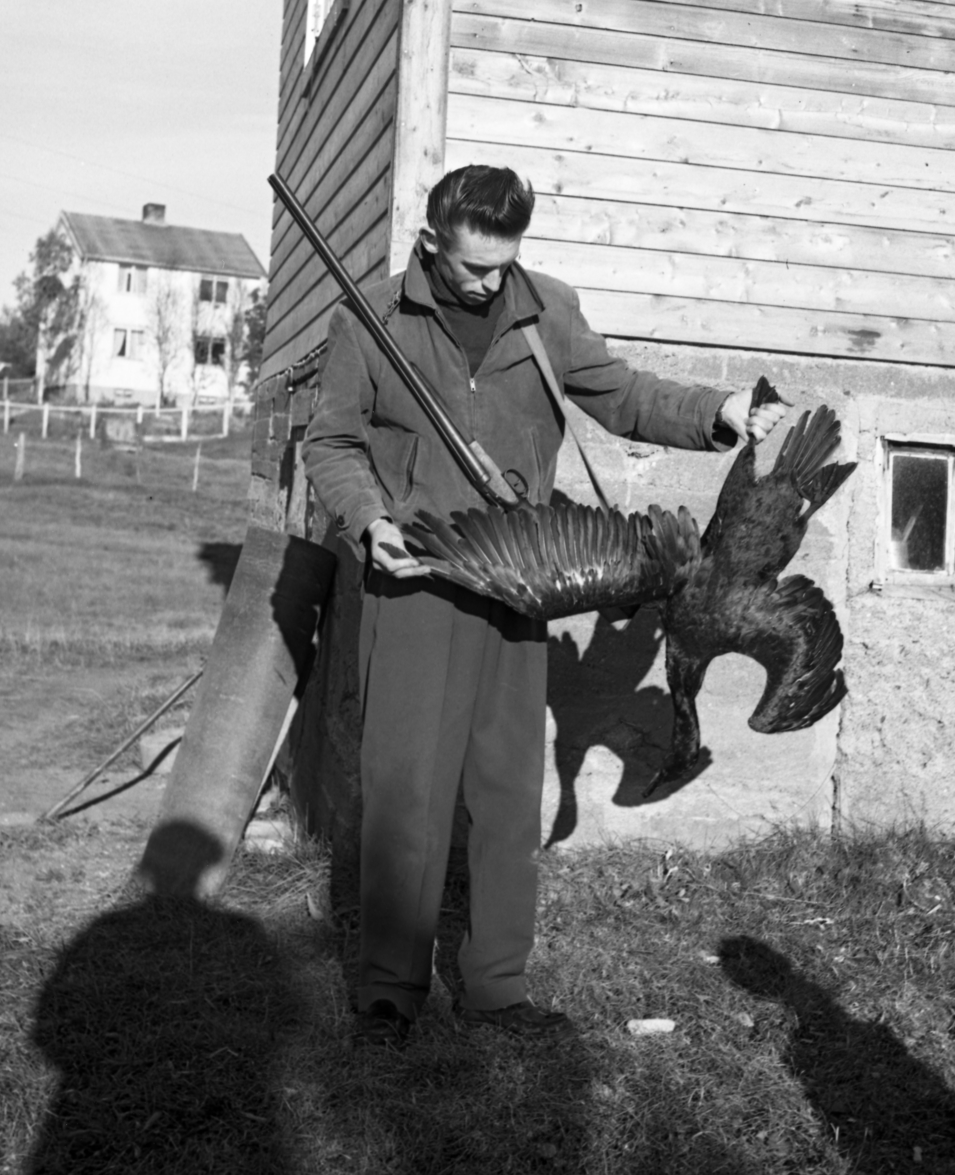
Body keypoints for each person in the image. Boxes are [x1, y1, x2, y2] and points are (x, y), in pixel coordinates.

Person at [301, 165, 785, 1048]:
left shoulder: (546, 310)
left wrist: (718, 410)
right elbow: (331, 442)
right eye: (473, 268)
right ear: (431, 243)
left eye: (504, 263)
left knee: (506, 788)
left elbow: (624, 395)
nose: (490, 283)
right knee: (407, 787)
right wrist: (369, 521)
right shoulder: (369, 320)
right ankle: (388, 989)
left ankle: (494, 985)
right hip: (416, 584)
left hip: (520, 584)